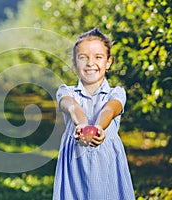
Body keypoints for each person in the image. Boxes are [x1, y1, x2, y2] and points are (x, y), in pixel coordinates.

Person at [52, 27, 135, 200]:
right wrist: (81, 125)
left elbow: (110, 109)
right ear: (75, 63)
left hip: (107, 163)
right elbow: (73, 107)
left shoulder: (116, 93)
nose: (90, 63)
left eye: (98, 57)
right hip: (75, 164)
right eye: (83, 57)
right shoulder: (66, 91)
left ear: (108, 62)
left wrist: (98, 127)